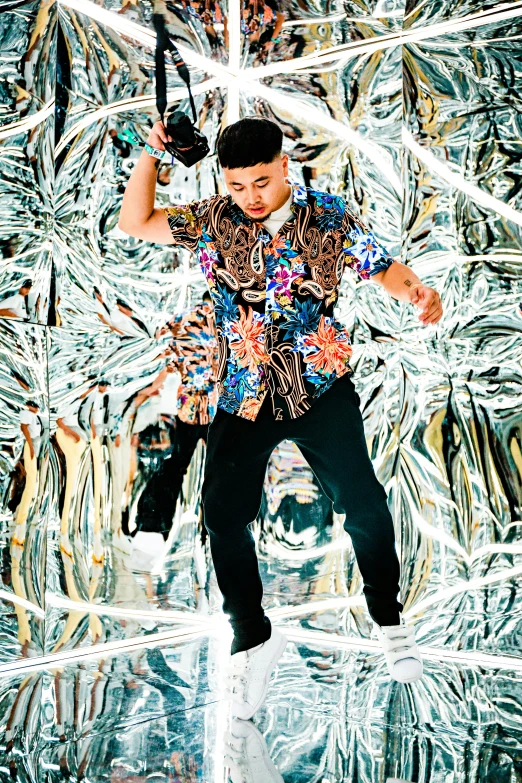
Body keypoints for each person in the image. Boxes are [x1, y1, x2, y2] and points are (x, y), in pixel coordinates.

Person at [118, 116, 443, 719]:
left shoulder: (327, 215)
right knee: (222, 514)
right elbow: (135, 222)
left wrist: (418, 290)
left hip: (319, 383)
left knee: (364, 503)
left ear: (284, 165)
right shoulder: (214, 218)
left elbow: (381, 266)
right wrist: (149, 153)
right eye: (239, 186)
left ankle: (388, 620)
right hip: (243, 391)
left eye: (262, 182)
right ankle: (251, 634)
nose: (251, 197)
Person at [136, 291, 219, 541]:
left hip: (189, 407)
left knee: (178, 464)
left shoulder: (183, 320)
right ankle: (214, 526)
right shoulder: (227, 320)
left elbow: (165, 353)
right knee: (218, 470)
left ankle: (155, 519)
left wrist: (149, 389)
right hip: (215, 409)